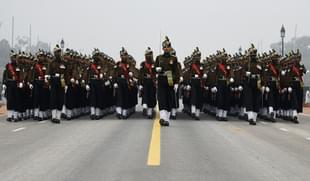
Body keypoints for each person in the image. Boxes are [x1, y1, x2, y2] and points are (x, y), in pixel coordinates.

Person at [155, 36, 180, 126]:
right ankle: (162, 118)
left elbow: (176, 72)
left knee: (169, 98)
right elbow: (154, 69)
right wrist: (157, 69)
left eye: (167, 47)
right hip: (161, 78)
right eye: (164, 47)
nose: (166, 49)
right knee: (161, 98)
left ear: (170, 48)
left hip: (170, 77)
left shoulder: (173, 59)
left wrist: (176, 83)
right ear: (162, 48)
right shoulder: (159, 58)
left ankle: (167, 119)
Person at [139, 47, 157, 119]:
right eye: (147, 55)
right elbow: (140, 74)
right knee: (145, 95)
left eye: (150, 55)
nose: (149, 56)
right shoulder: (143, 64)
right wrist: (140, 84)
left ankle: (149, 113)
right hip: (145, 81)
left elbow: (156, 74)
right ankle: (145, 107)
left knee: (152, 97)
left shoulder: (155, 64)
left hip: (152, 82)